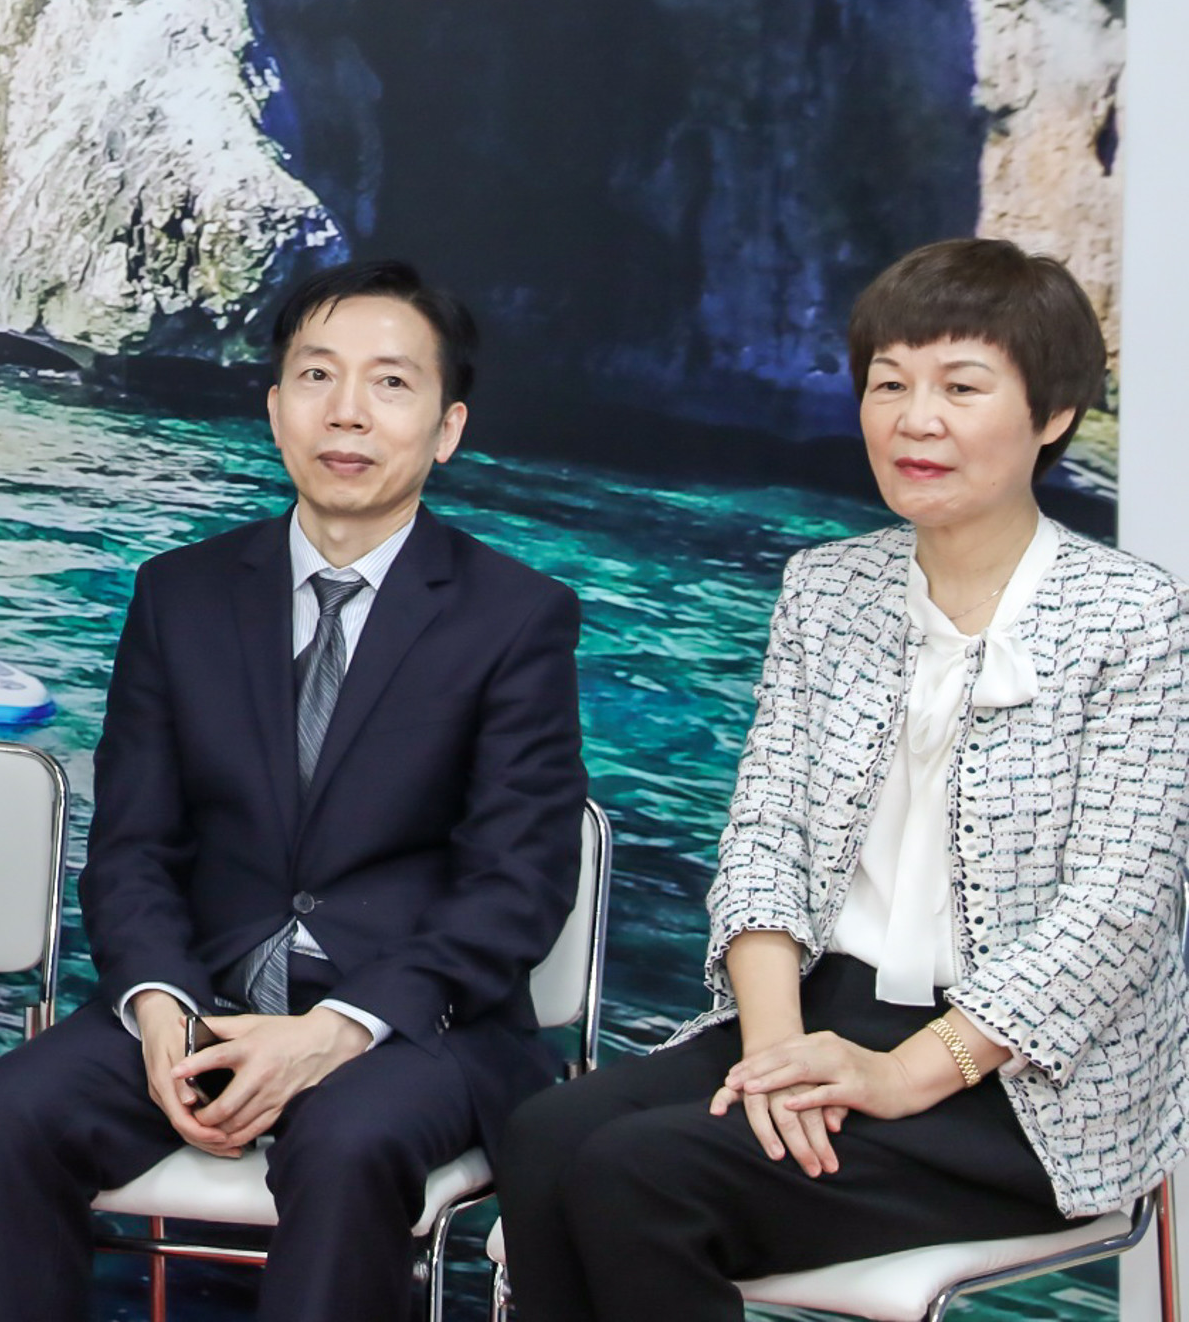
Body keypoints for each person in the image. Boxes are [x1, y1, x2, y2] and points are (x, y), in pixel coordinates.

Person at [492, 238, 1189, 1319]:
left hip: (1020, 1084)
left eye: (961, 388)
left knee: (639, 1176)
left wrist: (902, 1074)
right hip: (824, 1014)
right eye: (889, 385)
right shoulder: (826, 589)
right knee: (546, 1134)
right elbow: (763, 839)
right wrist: (777, 1049)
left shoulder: (1135, 617)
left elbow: (1120, 909)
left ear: (1053, 414)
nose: (916, 421)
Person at [0, 258, 587, 1322]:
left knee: (346, 1141)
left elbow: (518, 884)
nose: (348, 412)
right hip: (205, 1003)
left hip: (413, 1029)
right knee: (10, 1112)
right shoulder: (180, 595)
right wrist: (159, 1002)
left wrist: (339, 1028)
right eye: (317, 376)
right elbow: (134, 846)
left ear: (447, 429)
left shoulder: (516, 617)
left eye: (391, 383)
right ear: (276, 408)